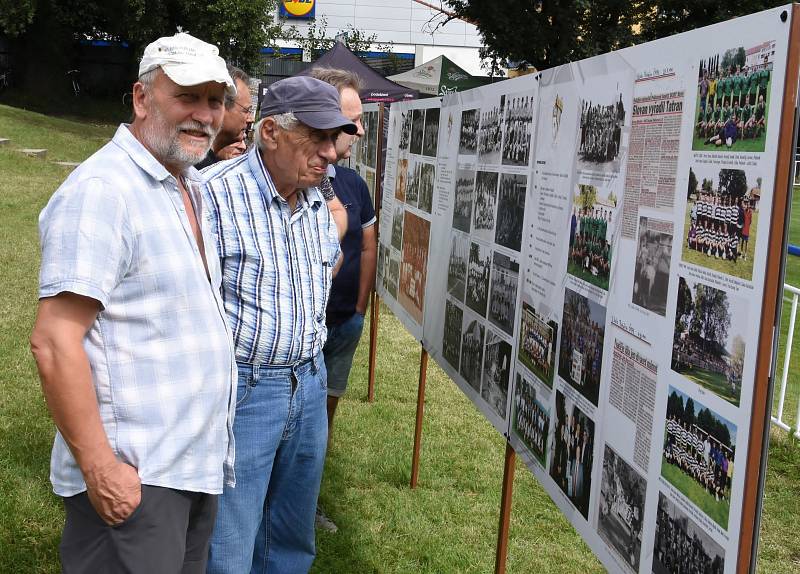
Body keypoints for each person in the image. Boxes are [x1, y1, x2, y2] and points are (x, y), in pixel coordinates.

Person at [29, 32, 237, 573]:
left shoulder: (181, 184)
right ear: (142, 98)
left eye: (215, 101)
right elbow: (53, 341)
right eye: (187, 96)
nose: (204, 115)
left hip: (188, 467)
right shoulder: (103, 191)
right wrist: (101, 471)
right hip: (136, 477)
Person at [202, 75, 357, 574]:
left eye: (333, 139)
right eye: (316, 137)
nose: (330, 152)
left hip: (309, 383)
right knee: (229, 542)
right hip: (244, 389)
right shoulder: (212, 197)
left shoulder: (316, 199)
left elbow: (326, 261)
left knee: (290, 537)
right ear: (270, 132)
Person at [306, 68, 377, 533]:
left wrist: (358, 309)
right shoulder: (294, 180)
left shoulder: (349, 183)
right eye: (353, 120)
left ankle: (304, 501)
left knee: (320, 422)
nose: (361, 130)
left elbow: (367, 243)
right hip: (297, 332)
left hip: (342, 321)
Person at [195, 66, 253, 169]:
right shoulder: (193, 168)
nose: (251, 119)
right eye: (246, 110)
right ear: (221, 105)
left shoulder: (210, 165)